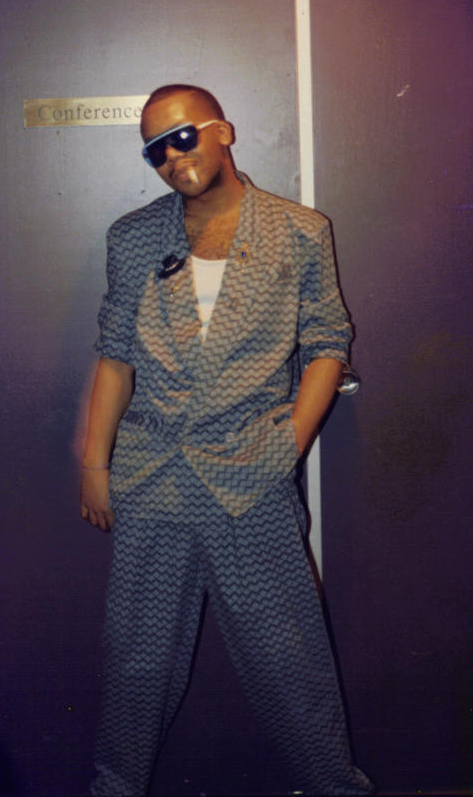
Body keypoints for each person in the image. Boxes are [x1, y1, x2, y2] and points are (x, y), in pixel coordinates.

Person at [80, 84, 373, 797]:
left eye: (183, 137)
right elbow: (116, 356)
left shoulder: (299, 231)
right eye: (155, 150)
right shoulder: (132, 237)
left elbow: (326, 343)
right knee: (136, 662)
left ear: (224, 132)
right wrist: (95, 463)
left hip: (252, 478)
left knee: (289, 660)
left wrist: (290, 443)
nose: (172, 157)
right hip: (151, 479)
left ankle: (335, 788)